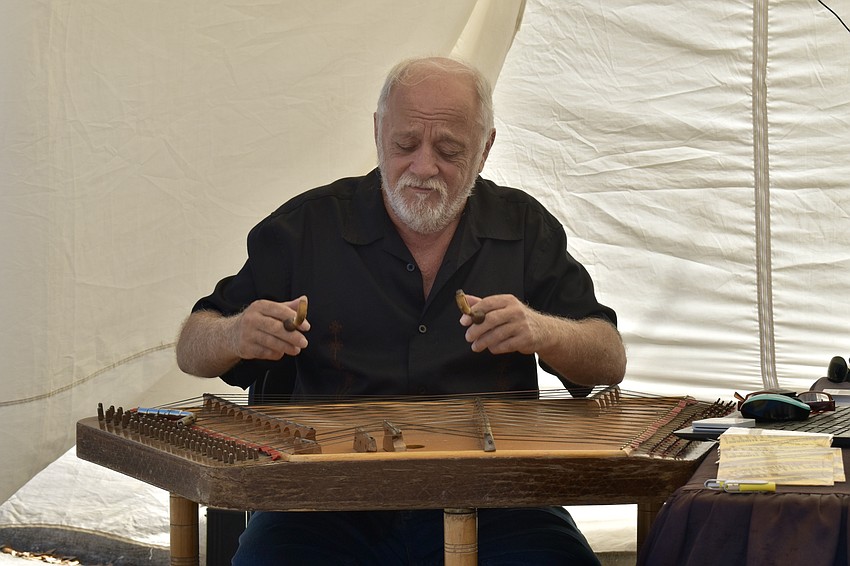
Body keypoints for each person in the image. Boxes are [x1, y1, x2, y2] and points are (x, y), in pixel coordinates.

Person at [176, 56, 626, 566]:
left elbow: (609, 358)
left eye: (450, 150)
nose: (424, 167)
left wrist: (544, 331)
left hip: (499, 502)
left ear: (485, 149)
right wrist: (237, 334)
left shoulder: (523, 228)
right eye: (405, 144)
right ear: (376, 132)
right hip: (321, 507)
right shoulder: (307, 228)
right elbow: (193, 345)